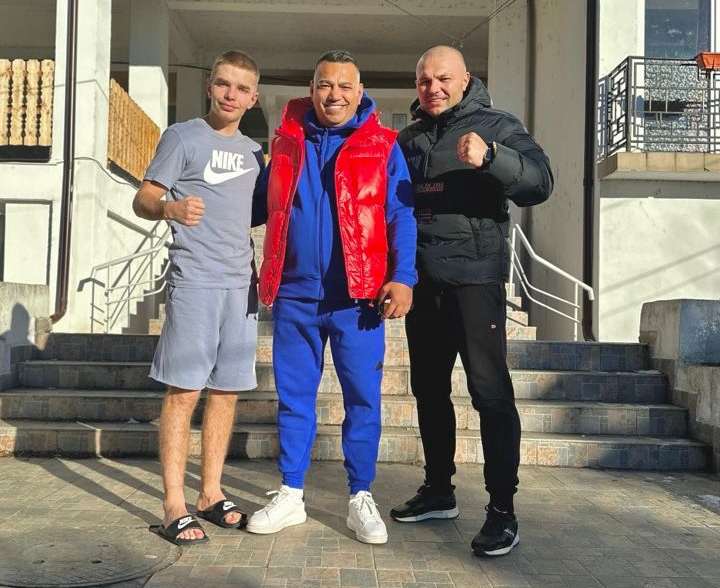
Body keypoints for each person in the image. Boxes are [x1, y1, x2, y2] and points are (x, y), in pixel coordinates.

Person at [246, 50, 417, 545]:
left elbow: (400, 216)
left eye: (344, 86)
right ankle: (291, 494)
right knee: (294, 399)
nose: (334, 94)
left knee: (362, 400)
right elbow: (257, 205)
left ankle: (360, 495)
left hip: (359, 299)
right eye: (325, 84)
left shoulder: (384, 146)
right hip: (295, 296)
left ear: (360, 93)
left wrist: (403, 277)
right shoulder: (285, 144)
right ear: (311, 89)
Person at [389, 45, 553, 557]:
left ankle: (503, 510)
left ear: (465, 80)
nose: (433, 88)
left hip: (476, 282)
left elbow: (540, 183)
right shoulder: (409, 138)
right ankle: (439, 490)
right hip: (424, 284)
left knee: (490, 394)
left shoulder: (497, 125)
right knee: (428, 390)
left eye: (443, 79)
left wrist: (493, 158)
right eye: (424, 80)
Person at [132, 50, 265, 546]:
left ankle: (211, 493)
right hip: (194, 281)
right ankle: (174, 504)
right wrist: (170, 208)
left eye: (242, 88)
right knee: (184, 391)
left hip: (242, 285)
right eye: (223, 84)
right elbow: (144, 197)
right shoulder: (182, 136)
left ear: (253, 98)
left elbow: (254, 214)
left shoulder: (255, 154)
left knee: (227, 391)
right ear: (210, 86)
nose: (231, 94)